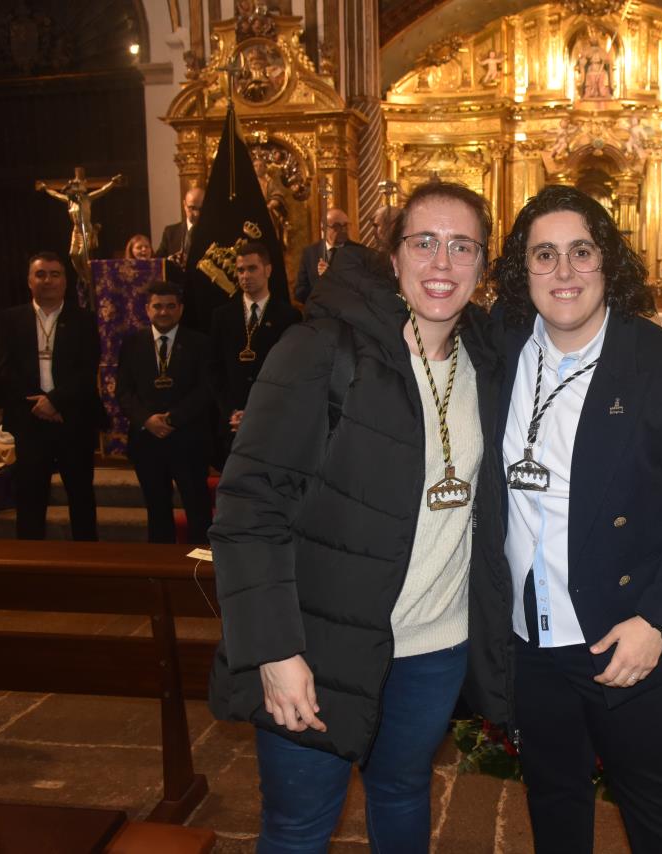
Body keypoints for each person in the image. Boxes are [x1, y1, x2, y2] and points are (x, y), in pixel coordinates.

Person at [208, 181, 512, 852]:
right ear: (393, 256)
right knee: (299, 826)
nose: (442, 263)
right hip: (318, 645)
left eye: (462, 246)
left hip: (433, 648)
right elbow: (248, 505)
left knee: (402, 794)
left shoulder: (489, 361)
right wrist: (273, 649)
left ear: (482, 265)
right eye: (424, 242)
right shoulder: (321, 349)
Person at [492, 184, 662, 854]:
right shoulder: (499, 350)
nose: (564, 271)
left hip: (628, 635)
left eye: (582, 251)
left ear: (608, 262)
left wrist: (657, 622)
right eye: (544, 255)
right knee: (553, 801)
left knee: (656, 812)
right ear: (522, 269)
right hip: (530, 639)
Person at [0, 251, 104, 541]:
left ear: (65, 281)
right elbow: (3, 369)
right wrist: (39, 403)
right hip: (29, 420)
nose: (48, 280)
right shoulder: (10, 319)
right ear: (29, 281)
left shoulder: (83, 319)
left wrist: (54, 401)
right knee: (30, 496)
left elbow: (87, 369)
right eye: (40, 274)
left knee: (81, 494)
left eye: (55, 274)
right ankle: (31, 560)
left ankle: (88, 557)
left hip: (72, 418)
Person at [116, 281, 213, 544]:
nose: (163, 312)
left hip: (188, 440)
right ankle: (161, 564)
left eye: (170, 306)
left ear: (180, 309)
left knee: (198, 510)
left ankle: (200, 565)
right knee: (157, 510)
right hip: (147, 442)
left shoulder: (200, 343)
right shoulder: (132, 343)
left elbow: (206, 389)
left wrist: (172, 419)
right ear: (147, 309)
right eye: (157, 306)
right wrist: (146, 420)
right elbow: (123, 392)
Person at [208, 241, 301, 462]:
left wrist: (260, 413)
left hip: (274, 421)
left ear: (268, 270)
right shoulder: (222, 316)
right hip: (233, 422)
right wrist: (231, 411)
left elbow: (293, 372)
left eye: (252, 269)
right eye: (240, 270)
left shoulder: (289, 317)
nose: (245, 276)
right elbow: (214, 370)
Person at [293, 207, 362, 304]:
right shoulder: (310, 253)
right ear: (323, 228)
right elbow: (300, 292)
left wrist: (331, 276)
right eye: (337, 226)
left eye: (345, 225)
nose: (343, 230)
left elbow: (363, 291)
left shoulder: (359, 253)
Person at [157, 187, 205, 265]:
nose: (197, 214)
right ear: (184, 205)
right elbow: (158, 261)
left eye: (201, 208)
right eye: (192, 208)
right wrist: (170, 260)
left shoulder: (215, 232)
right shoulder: (170, 232)